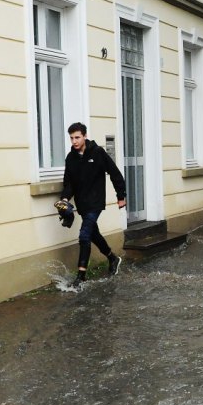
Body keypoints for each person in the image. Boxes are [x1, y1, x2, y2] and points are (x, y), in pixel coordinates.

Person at [59, 122, 127, 287]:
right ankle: (112, 258)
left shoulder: (97, 153)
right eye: (71, 138)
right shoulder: (71, 158)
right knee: (93, 234)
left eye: (77, 137)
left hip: (95, 202)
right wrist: (65, 199)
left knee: (84, 235)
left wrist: (121, 196)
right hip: (82, 204)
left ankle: (81, 276)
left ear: (84, 136)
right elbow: (68, 183)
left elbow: (115, 173)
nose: (74, 141)